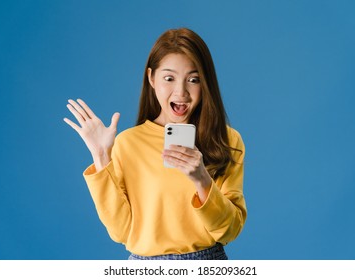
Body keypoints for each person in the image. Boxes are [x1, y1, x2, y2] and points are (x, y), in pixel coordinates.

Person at [64, 28, 247, 260]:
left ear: (205, 82)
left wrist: (202, 180)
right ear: (151, 78)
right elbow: (121, 232)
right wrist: (101, 155)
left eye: (193, 79)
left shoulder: (226, 140)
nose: (181, 92)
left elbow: (230, 230)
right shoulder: (128, 143)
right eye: (169, 78)